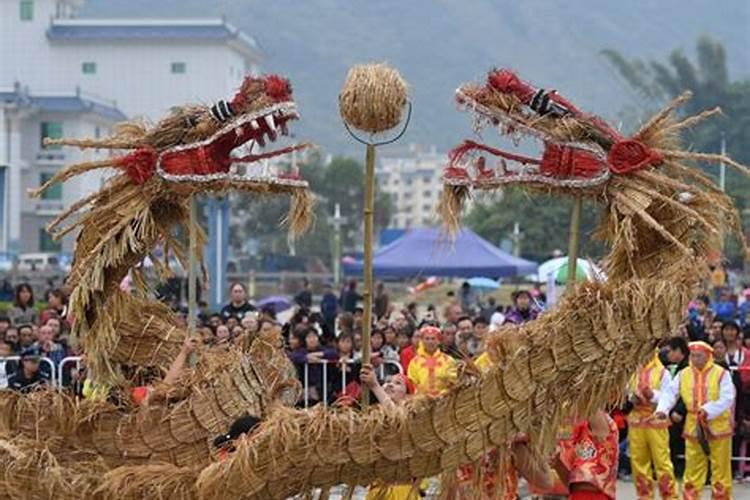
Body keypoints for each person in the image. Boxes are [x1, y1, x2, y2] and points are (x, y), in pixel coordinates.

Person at [654, 341, 736, 499]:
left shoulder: (721, 373)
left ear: (708, 356)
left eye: (699, 356)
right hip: (693, 426)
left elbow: (728, 397)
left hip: (718, 426)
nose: (695, 359)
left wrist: (708, 410)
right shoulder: (684, 373)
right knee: (692, 469)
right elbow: (670, 393)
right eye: (693, 355)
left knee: (721, 470)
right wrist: (662, 410)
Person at [626, 352, 676, 499]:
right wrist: (632, 397)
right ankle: (644, 496)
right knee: (638, 462)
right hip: (636, 420)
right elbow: (628, 390)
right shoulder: (633, 370)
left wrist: (652, 395)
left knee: (662, 462)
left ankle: (669, 496)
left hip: (656, 420)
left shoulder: (663, 372)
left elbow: (669, 395)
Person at [555, 410, 619, 500]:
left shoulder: (605, 424)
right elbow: (571, 481)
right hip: (575, 495)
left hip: (597, 496)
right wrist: (557, 463)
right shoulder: (570, 430)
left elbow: (591, 405)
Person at [406, 325, 457, 396]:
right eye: (427, 339)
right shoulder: (415, 362)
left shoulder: (448, 360)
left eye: (433, 339)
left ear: (438, 341)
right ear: (422, 341)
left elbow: (453, 382)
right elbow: (412, 383)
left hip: (445, 400)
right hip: (422, 401)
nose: (430, 342)